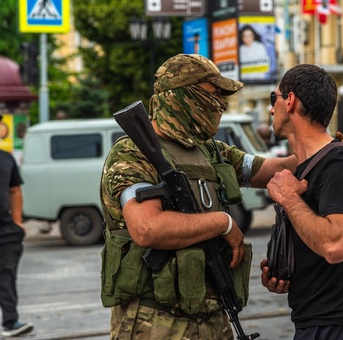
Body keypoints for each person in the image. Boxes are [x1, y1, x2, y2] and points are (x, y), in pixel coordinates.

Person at [100, 54, 303, 339]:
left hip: (211, 316)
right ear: (183, 96)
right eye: (214, 93)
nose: (220, 103)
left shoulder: (210, 151)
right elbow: (147, 228)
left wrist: (327, 149)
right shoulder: (132, 154)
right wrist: (224, 224)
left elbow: (272, 170)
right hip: (155, 321)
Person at [260, 64, 343, 339]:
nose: (270, 108)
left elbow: (335, 245)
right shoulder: (308, 164)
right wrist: (286, 269)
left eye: (272, 98)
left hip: (335, 325)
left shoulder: (341, 163)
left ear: (290, 101)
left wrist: (289, 198)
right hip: (315, 319)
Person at [0, 112, 34, 338]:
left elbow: (15, 190)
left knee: (6, 276)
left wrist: (18, 221)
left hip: (3, 229)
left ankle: (11, 323)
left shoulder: (5, 157)